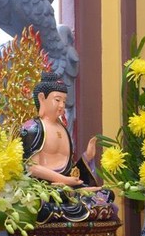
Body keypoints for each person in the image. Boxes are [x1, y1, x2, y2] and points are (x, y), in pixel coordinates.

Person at [21, 72, 114, 223]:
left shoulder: (63, 129)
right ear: (42, 98)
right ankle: (75, 210)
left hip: (67, 189)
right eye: (57, 100)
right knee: (45, 202)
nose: (62, 106)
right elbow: (31, 168)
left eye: (64, 101)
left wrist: (87, 157)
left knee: (106, 194)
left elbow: (71, 170)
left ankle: (76, 208)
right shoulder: (32, 128)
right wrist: (64, 180)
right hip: (44, 190)